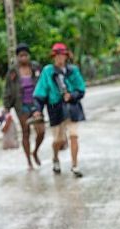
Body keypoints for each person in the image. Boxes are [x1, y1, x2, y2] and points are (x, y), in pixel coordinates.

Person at [32, 43, 86, 177]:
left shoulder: (73, 71)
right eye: (57, 55)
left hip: (72, 108)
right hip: (55, 108)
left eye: (62, 55)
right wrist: (37, 109)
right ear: (53, 57)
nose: (59, 58)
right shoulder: (47, 72)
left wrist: (72, 95)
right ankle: (55, 158)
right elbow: (40, 93)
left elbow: (81, 89)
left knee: (74, 135)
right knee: (58, 140)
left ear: (66, 56)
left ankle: (75, 165)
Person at [1, 43, 45, 170]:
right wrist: (6, 106)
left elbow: (44, 83)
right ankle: (29, 162)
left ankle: (35, 151)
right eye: (21, 56)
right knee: (25, 132)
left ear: (29, 56)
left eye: (25, 55)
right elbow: (8, 89)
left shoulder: (36, 67)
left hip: (36, 104)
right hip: (21, 106)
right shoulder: (13, 71)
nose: (23, 58)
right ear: (17, 57)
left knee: (41, 131)